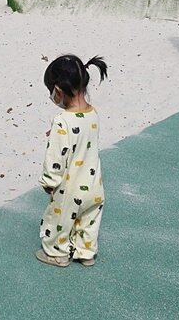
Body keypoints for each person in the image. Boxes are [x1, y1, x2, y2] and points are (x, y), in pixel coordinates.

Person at [36, 54, 108, 268]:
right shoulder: (93, 113)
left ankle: (57, 253)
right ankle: (85, 252)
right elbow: (83, 137)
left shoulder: (61, 121)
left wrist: (49, 182)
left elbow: (56, 158)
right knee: (89, 221)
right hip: (94, 186)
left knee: (58, 221)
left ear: (57, 90)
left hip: (70, 189)